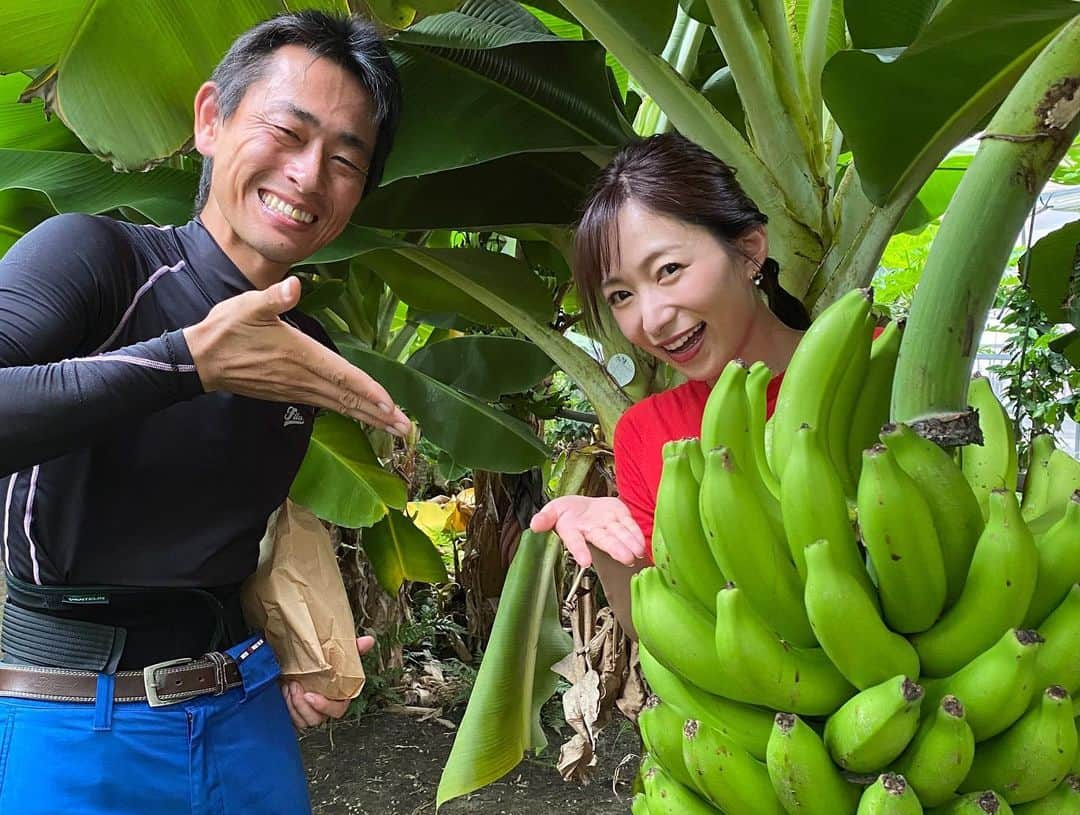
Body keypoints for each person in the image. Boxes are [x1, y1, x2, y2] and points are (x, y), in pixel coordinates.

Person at [0, 11, 408, 814]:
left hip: (243, 713)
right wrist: (188, 361)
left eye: (344, 159)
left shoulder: (306, 350)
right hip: (71, 721)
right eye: (287, 133)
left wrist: (297, 645)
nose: (308, 174)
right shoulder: (96, 258)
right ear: (211, 119)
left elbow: (229, 536)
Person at [530, 133, 813, 637]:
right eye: (621, 295)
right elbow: (652, 628)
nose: (652, 319)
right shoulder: (646, 431)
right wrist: (604, 536)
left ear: (748, 251)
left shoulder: (877, 366)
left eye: (669, 270)